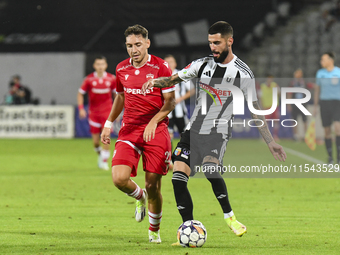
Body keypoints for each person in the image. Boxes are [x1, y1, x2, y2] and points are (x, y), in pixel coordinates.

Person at [142, 21, 287, 244]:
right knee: (178, 179)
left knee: (211, 169)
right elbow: (173, 79)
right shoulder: (202, 65)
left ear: (230, 41)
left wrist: (270, 142)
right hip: (193, 131)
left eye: (217, 43)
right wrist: (153, 82)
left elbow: (255, 109)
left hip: (217, 133)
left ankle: (230, 217)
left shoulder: (243, 72)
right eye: (210, 43)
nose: (213, 47)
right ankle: (187, 228)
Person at [100, 25, 176, 243]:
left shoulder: (161, 67)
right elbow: (120, 97)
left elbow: (170, 102)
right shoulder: (121, 68)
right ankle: (139, 196)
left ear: (147, 43)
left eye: (137, 45)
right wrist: (108, 123)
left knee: (153, 185)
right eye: (129, 46)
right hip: (130, 129)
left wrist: (153, 121)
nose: (133, 50)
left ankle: (154, 231)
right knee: (119, 179)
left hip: (156, 129)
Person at [77, 56, 116, 170]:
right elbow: (80, 93)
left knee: (106, 137)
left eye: (102, 64)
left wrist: (117, 111)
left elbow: (117, 95)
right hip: (93, 113)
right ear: (94, 66)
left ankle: (104, 162)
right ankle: (100, 156)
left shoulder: (111, 79)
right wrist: (81, 108)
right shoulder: (89, 79)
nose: (100, 67)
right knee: (95, 142)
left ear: (106, 65)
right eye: (98, 64)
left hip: (107, 113)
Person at [314, 52, 340, 165]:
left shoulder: (338, 72)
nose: (321, 62)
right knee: (327, 131)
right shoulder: (320, 73)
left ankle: (338, 156)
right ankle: (330, 157)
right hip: (324, 103)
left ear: (331, 60)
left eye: (323, 60)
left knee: (338, 128)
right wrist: (315, 106)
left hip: (337, 103)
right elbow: (317, 90)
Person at [163, 54, 193, 141]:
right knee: (168, 135)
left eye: (171, 62)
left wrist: (180, 99)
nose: (169, 64)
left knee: (184, 135)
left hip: (180, 111)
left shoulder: (181, 74)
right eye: (167, 62)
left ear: (175, 64)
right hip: (166, 112)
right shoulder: (161, 77)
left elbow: (192, 90)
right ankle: (168, 154)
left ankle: (185, 154)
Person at [259, 74, 280, 141]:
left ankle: (275, 135)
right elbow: (260, 97)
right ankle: (265, 136)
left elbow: (279, 94)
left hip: (274, 106)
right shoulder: (262, 86)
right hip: (266, 106)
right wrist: (261, 106)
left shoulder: (275, 85)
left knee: (276, 121)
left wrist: (278, 90)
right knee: (266, 122)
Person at [288, 68, 308, 140]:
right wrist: (289, 104)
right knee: (294, 120)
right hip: (295, 104)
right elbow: (289, 94)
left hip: (303, 103)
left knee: (304, 120)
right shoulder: (293, 83)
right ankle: (296, 135)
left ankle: (306, 135)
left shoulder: (304, 82)